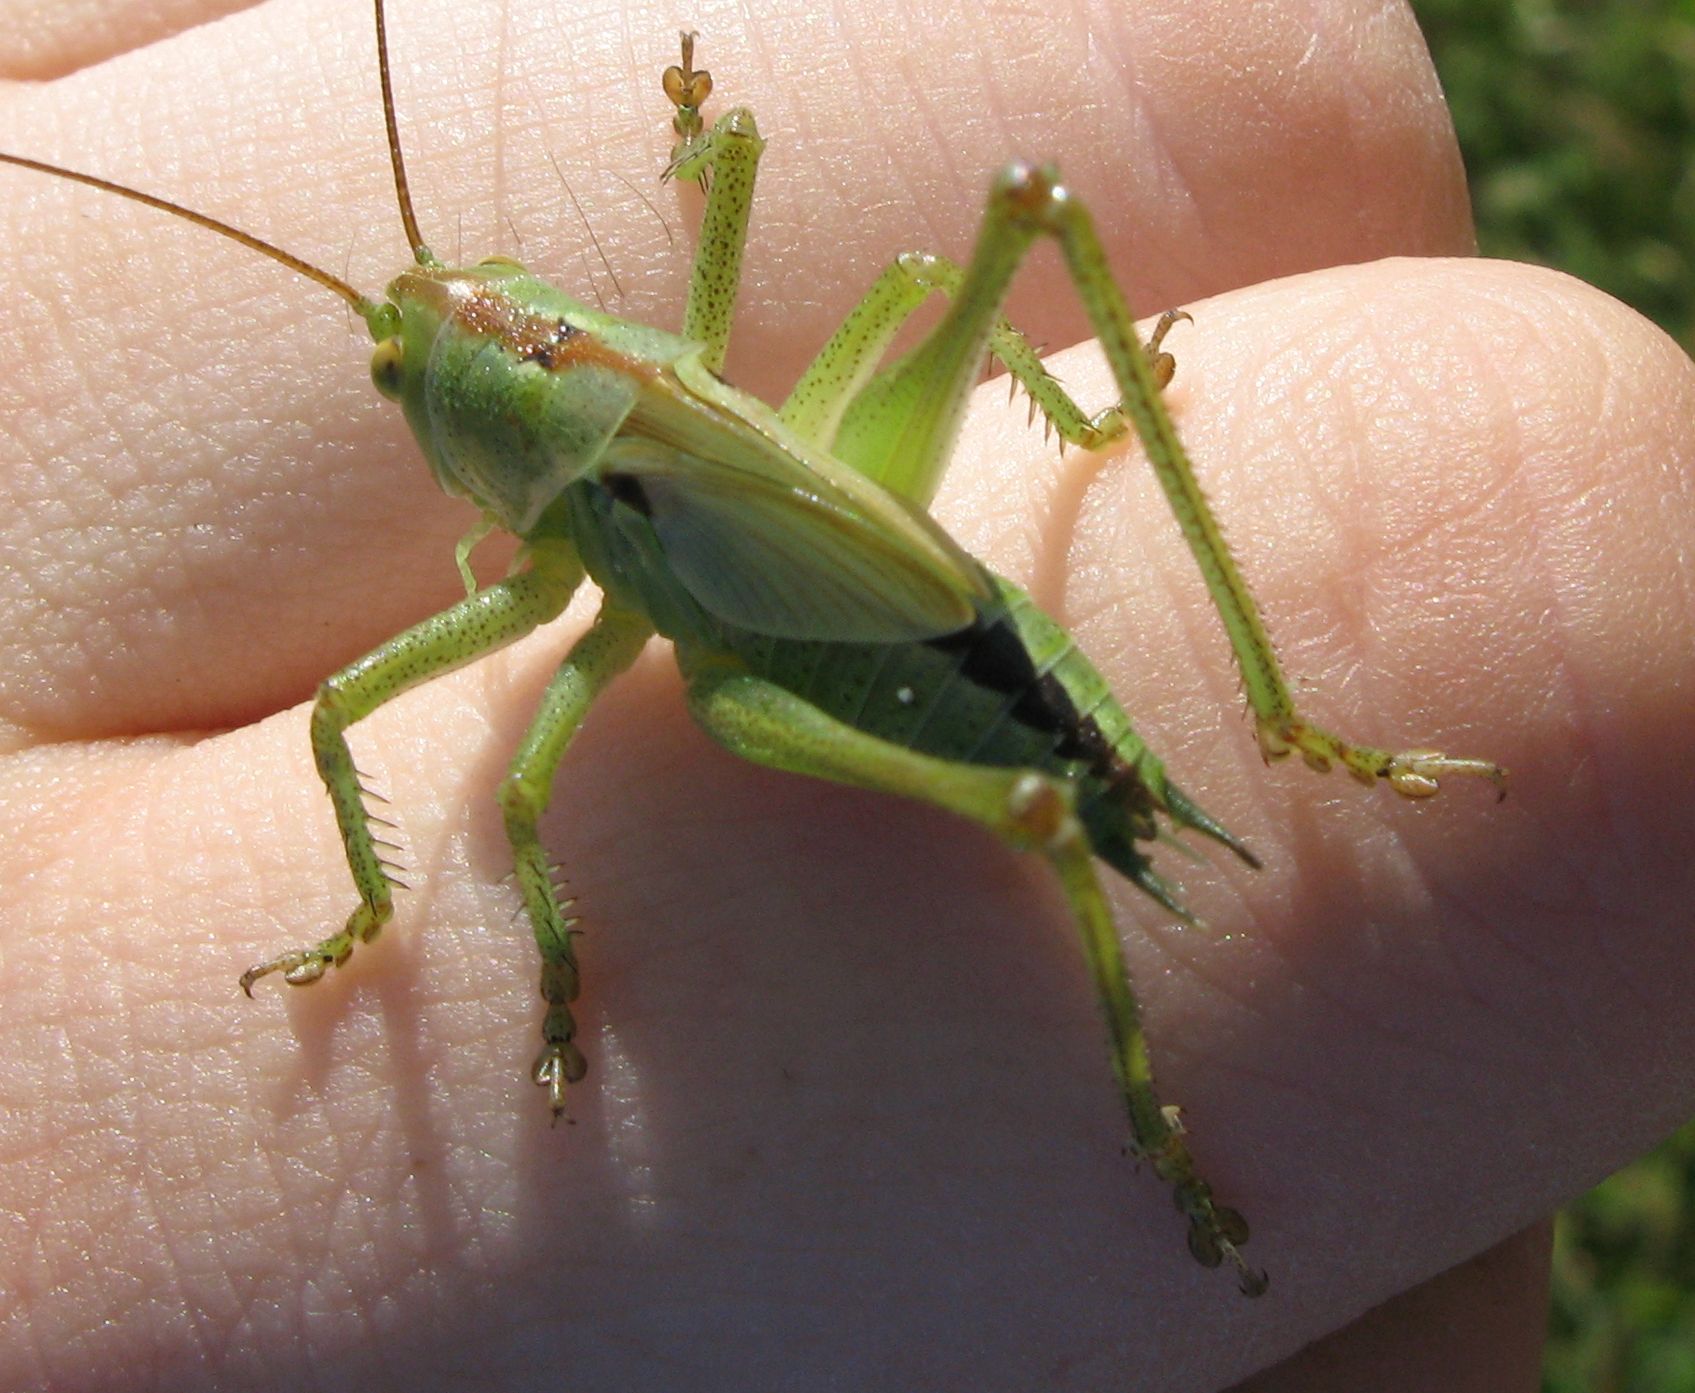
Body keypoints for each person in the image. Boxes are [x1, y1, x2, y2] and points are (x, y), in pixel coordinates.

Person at [0, 0, 1689, 1388]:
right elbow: (747, 160)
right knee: (941, 256)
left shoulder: (546, 578)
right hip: (839, 533)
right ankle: (1276, 713)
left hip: (822, 668)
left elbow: (505, 796)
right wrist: (703, 141)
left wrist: (542, 961)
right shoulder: (648, 358)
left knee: (453, 745)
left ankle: (1160, 1094)